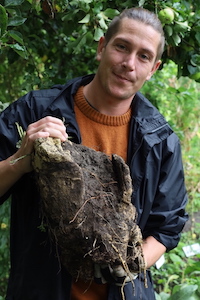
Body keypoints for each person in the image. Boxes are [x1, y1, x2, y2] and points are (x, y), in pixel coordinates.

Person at [0, 7, 188, 300]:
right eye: (122, 47)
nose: (129, 63)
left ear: (153, 69)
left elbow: (168, 227)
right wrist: (21, 159)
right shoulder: (35, 113)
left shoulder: (160, 141)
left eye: (143, 56)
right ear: (102, 47)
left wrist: (130, 266)